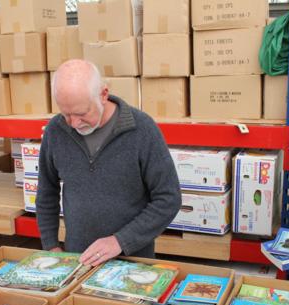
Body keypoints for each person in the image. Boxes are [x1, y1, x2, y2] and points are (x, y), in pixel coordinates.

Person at [36, 59, 181, 267]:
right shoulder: (55, 131)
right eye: (65, 114)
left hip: (134, 262)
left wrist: (120, 241)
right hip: (78, 261)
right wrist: (51, 247)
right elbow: (46, 193)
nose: (74, 123)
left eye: (81, 113)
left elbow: (169, 199)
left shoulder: (142, 130)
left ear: (103, 95)